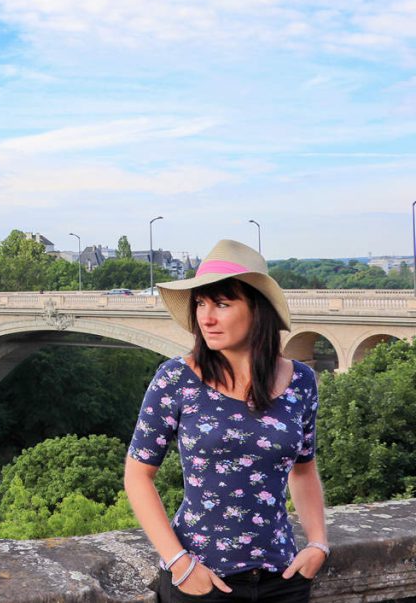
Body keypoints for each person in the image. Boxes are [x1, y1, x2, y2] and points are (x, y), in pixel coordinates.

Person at [124, 239, 328, 602]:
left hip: (283, 578)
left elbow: (304, 469)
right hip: (202, 580)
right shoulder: (176, 378)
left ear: (257, 310)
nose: (206, 317)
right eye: (201, 303)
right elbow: (138, 475)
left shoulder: (300, 381)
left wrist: (317, 544)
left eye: (222, 303)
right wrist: (179, 563)